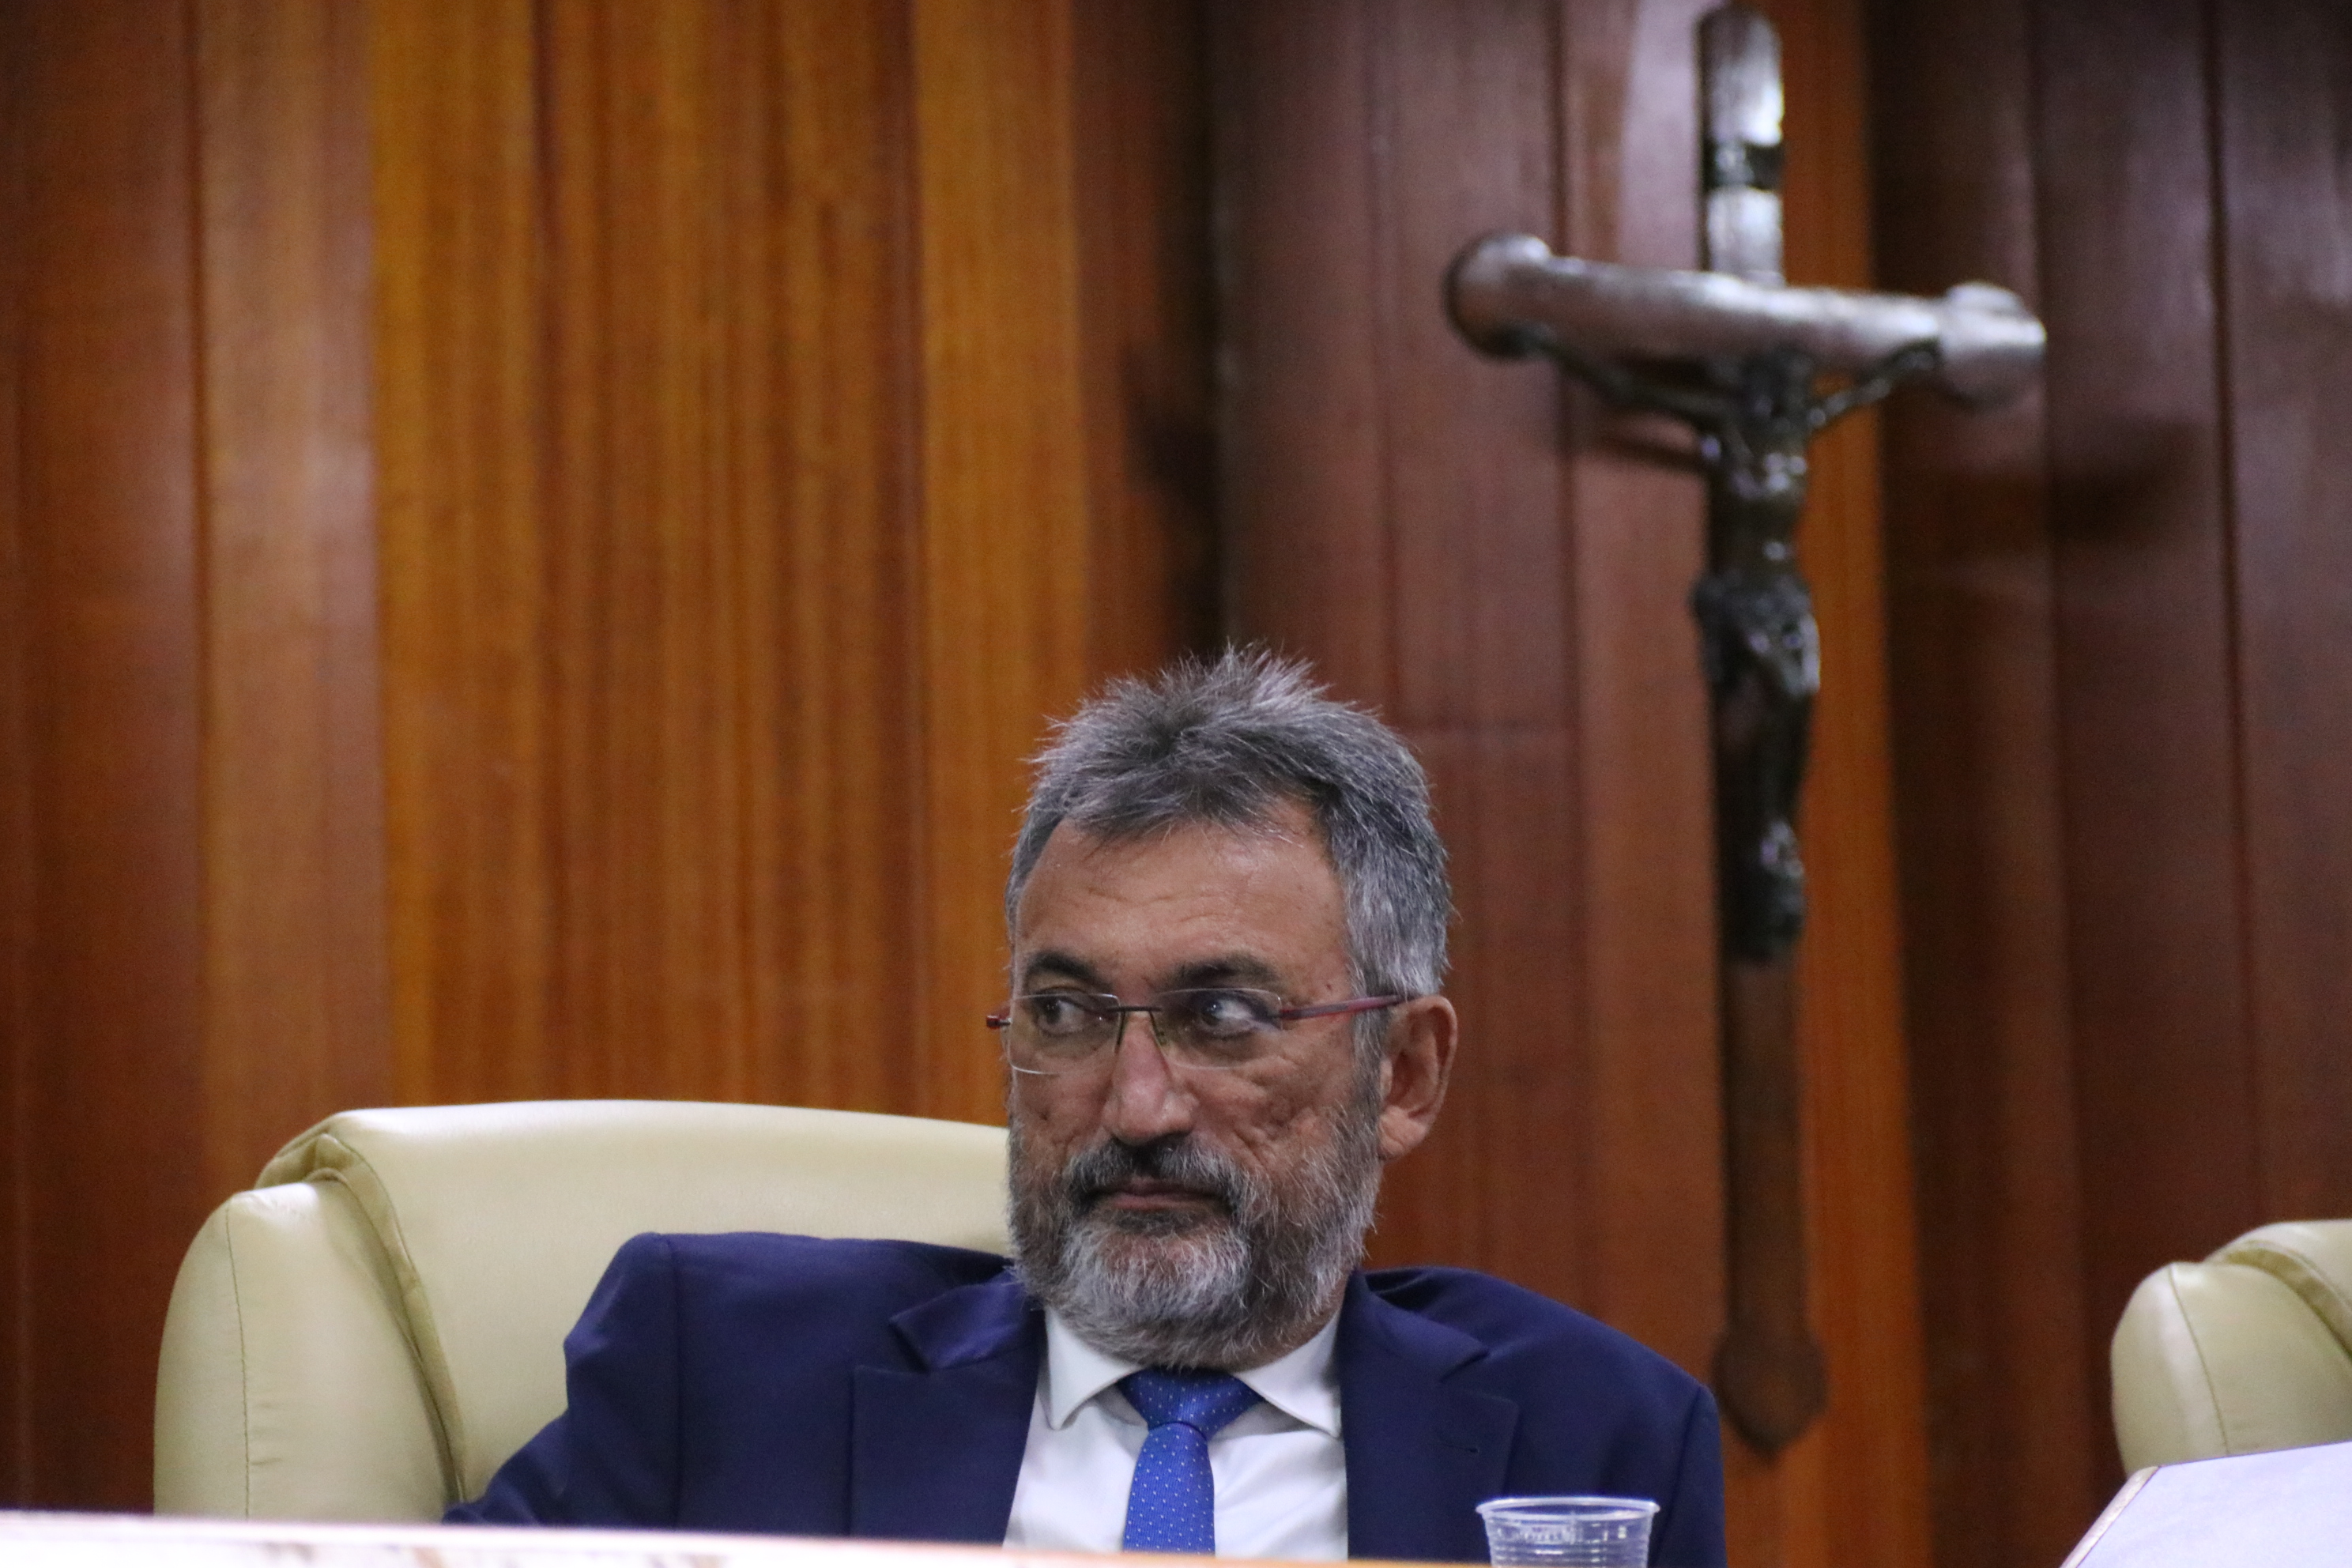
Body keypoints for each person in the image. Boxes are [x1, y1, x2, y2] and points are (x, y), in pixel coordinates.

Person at [448, 649, 1726, 1566]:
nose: (1137, 1106)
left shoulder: (1591, 1436)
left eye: (1224, 1016)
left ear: (1402, 1074)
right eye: (1066, 1014)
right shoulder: (725, 1368)